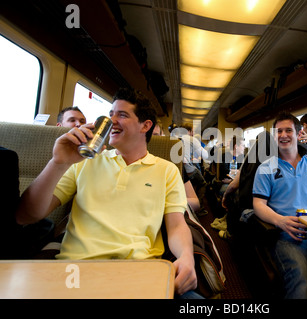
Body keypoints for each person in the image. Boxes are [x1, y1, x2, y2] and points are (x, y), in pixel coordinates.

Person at [15, 88, 199, 298]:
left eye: (122, 115)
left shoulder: (167, 170)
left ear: (145, 125)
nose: (112, 121)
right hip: (77, 271)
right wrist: (58, 163)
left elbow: (176, 225)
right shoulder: (82, 162)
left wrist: (186, 256)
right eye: (110, 114)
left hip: (140, 272)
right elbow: (25, 216)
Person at [252, 112, 307, 298]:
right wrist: (280, 221)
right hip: (288, 234)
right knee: (303, 283)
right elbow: (258, 204)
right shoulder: (266, 167)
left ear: (299, 132)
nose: (283, 135)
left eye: (288, 130)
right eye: (278, 132)